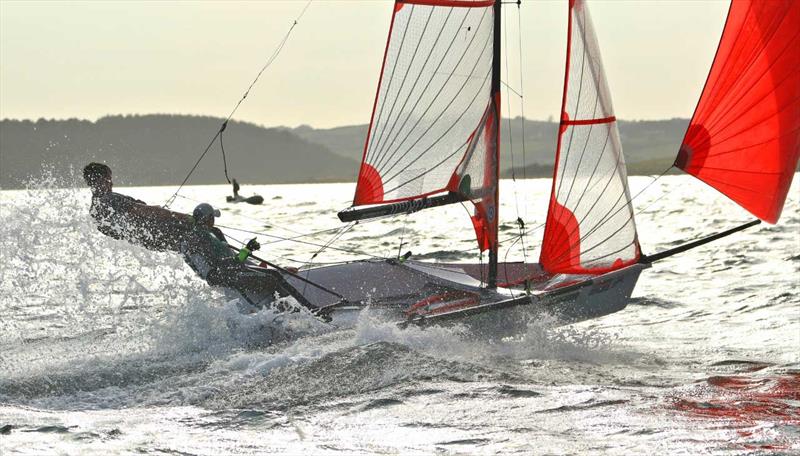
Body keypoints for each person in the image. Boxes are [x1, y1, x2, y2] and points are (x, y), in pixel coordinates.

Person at [181, 203, 312, 309]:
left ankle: (298, 307)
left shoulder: (211, 233)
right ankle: (302, 310)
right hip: (224, 276)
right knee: (272, 278)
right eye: (212, 217)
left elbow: (233, 261)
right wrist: (247, 250)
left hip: (229, 271)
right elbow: (226, 264)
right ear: (208, 218)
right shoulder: (201, 238)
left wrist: (278, 268)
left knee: (274, 274)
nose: (214, 220)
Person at [83, 162, 193, 251]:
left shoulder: (94, 209)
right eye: (108, 179)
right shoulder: (110, 199)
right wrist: (188, 218)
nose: (111, 183)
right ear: (98, 180)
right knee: (202, 215)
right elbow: (149, 212)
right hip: (159, 232)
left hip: (148, 241)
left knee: (186, 247)